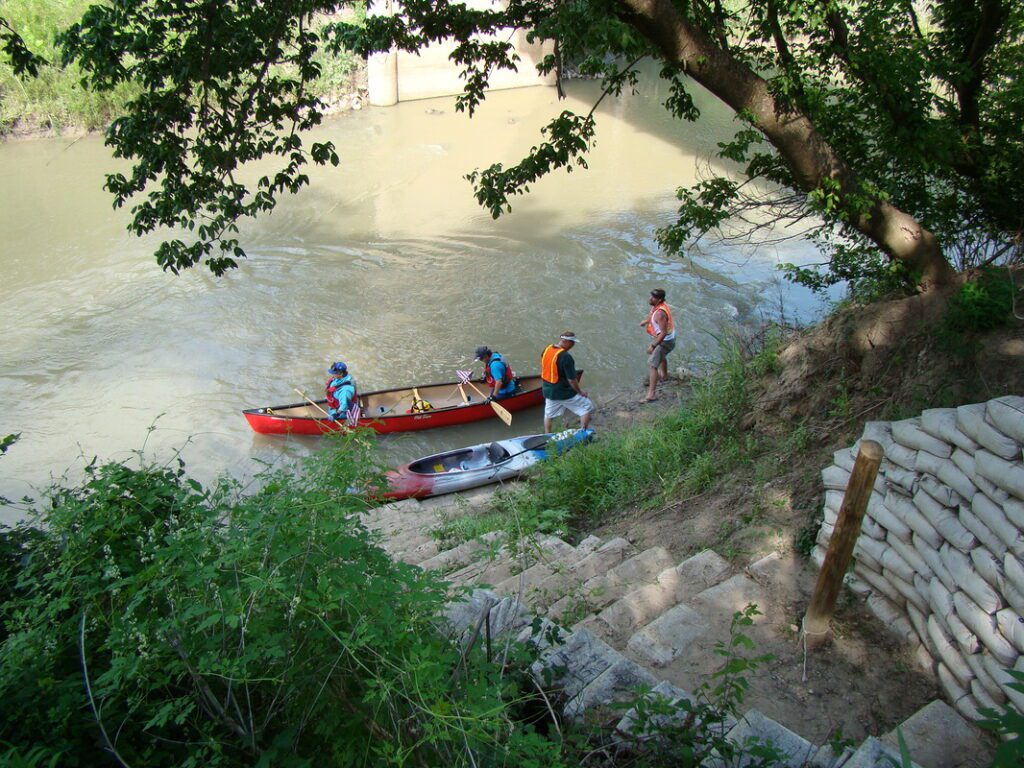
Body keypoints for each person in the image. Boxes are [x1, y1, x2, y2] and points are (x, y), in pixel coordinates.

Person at [539, 331, 594, 432]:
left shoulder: (547, 349)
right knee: (587, 407)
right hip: (563, 392)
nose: (573, 345)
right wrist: (580, 392)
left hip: (548, 391)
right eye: (572, 342)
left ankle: (547, 435)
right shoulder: (566, 357)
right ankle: (583, 432)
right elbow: (572, 380)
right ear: (565, 341)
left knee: (548, 414)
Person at [640, 288, 676, 402]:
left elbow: (663, 333)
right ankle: (664, 376)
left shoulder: (660, 313)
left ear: (659, 299)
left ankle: (651, 394)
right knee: (661, 356)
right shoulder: (659, 306)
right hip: (667, 338)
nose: (650, 298)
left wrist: (653, 346)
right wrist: (646, 321)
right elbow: (653, 316)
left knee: (653, 365)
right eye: (651, 296)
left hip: (665, 340)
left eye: (653, 297)